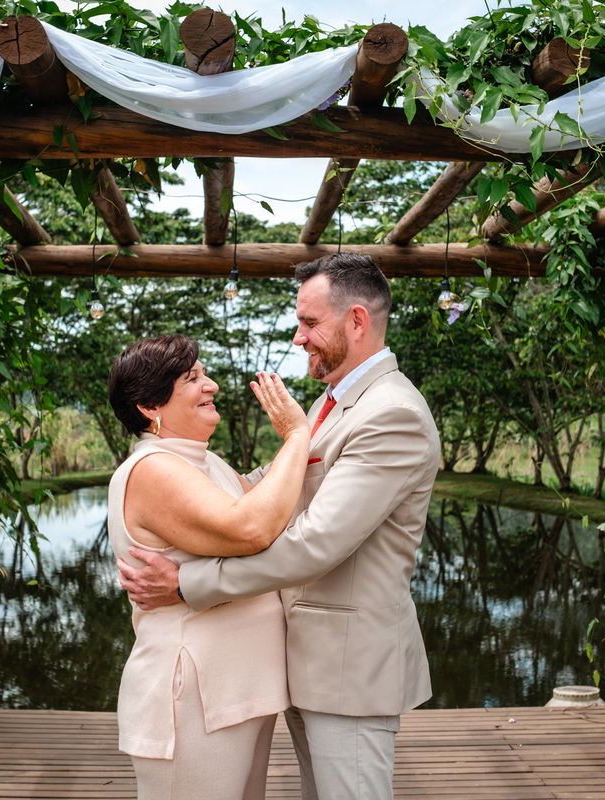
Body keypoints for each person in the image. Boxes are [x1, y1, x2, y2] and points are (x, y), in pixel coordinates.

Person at [119, 254, 442, 800]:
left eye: (310, 323)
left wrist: (187, 583)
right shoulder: (332, 402)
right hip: (306, 662)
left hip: (349, 670)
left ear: (357, 321)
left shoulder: (392, 414)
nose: (299, 338)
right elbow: (272, 484)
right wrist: (184, 490)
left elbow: (316, 544)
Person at [105, 333, 311, 800]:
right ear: (149, 406)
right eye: (193, 378)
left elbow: (274, 506)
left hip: (239, 689)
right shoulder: (154, 469)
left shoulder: (202, 461)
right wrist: (298, 434)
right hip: (194, 697)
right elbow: (252, 527)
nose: (212, 385)